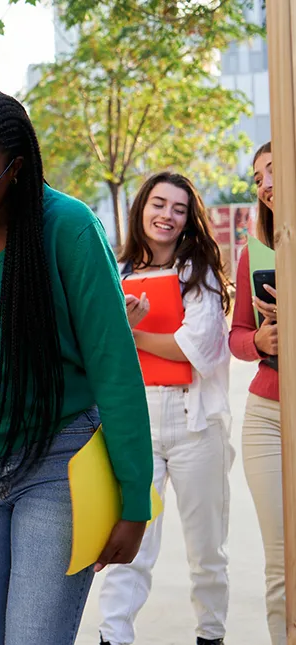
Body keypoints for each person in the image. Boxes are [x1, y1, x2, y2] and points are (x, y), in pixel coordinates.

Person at [0, 88, 153, 645]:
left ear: (15, 169)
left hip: (59, 460)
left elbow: (115, 370)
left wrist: (134, 500)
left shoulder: (68, 227)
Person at [98, 172, 233, 645]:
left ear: (188, 218)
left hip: (196, 426)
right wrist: (127, 336)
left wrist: (130, 335)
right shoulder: (117, 273)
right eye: (159, 204)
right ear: (141, 209)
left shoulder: (202, 273)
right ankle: (112, 637)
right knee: (129, 546)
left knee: (207, 551)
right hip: (138, 426)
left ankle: (210, 635)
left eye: (179, 208)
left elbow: (197, 345)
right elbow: (98, 353)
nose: (167, 215)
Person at [231, 140, 283, 644]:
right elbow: (236, 336)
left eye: (273, 171)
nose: (264, 184)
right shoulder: (255, 253)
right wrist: (259, 339)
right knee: (281, 562)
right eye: (258, 178)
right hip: (266, 415)